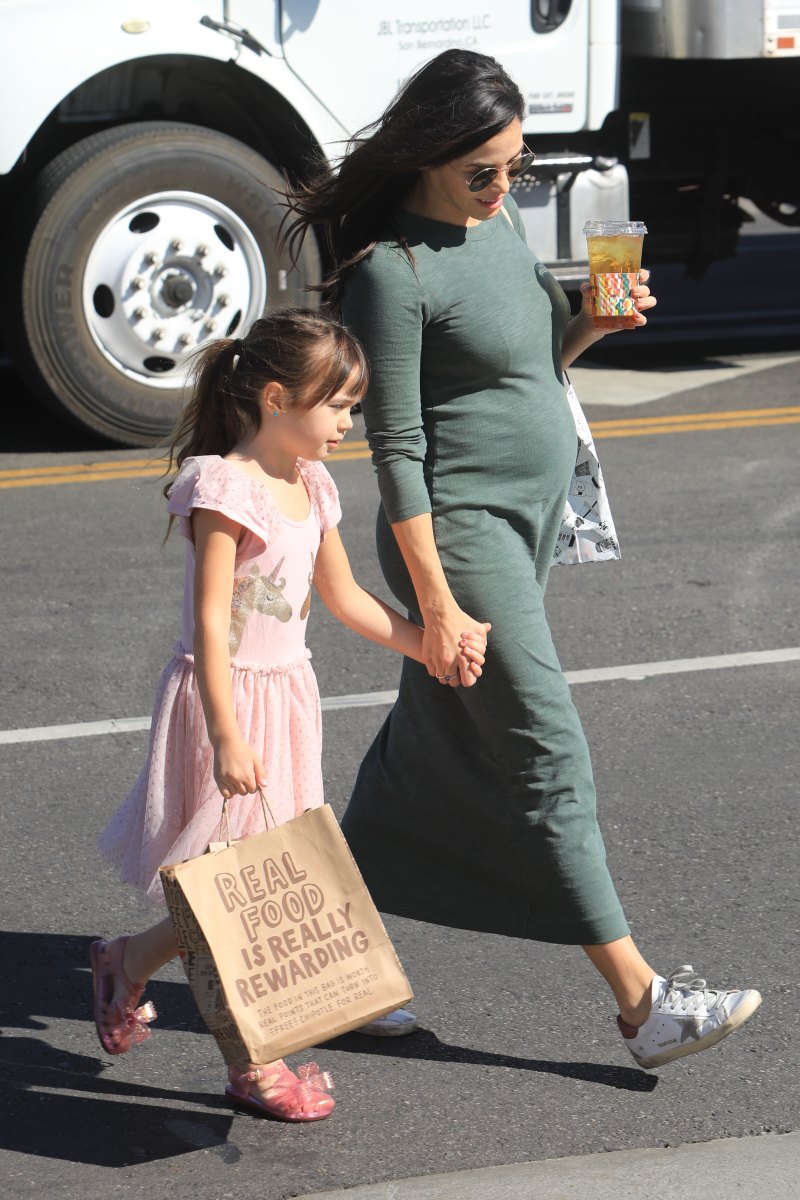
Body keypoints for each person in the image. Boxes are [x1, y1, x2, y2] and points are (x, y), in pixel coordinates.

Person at [282, 49, 762, 1070]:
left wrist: (585, 324)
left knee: (431, 756)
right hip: (457, 540)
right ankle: (644, 1006)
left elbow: (521, 370)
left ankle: (303, 962)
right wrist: (437, 603)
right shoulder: (391, 276)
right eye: (483, 171)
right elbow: (399, 454)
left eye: (517, 167)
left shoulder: (492, 229)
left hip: (525, 523)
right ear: (426, 156)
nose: (505, 187)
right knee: (544, 751)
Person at [92, 308, 489, 1120]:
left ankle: (125, 962)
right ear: (277, 398)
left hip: (288, 696)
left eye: (353, 406)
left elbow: (341, 599)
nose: (349, 422)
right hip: (224, 700)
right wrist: (227, 733)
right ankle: (255, 1065)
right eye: (337, 406)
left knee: (251, 884)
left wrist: (430, 649)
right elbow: (208, 623)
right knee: (229, 888)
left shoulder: (312, 483)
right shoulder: (223, 487)